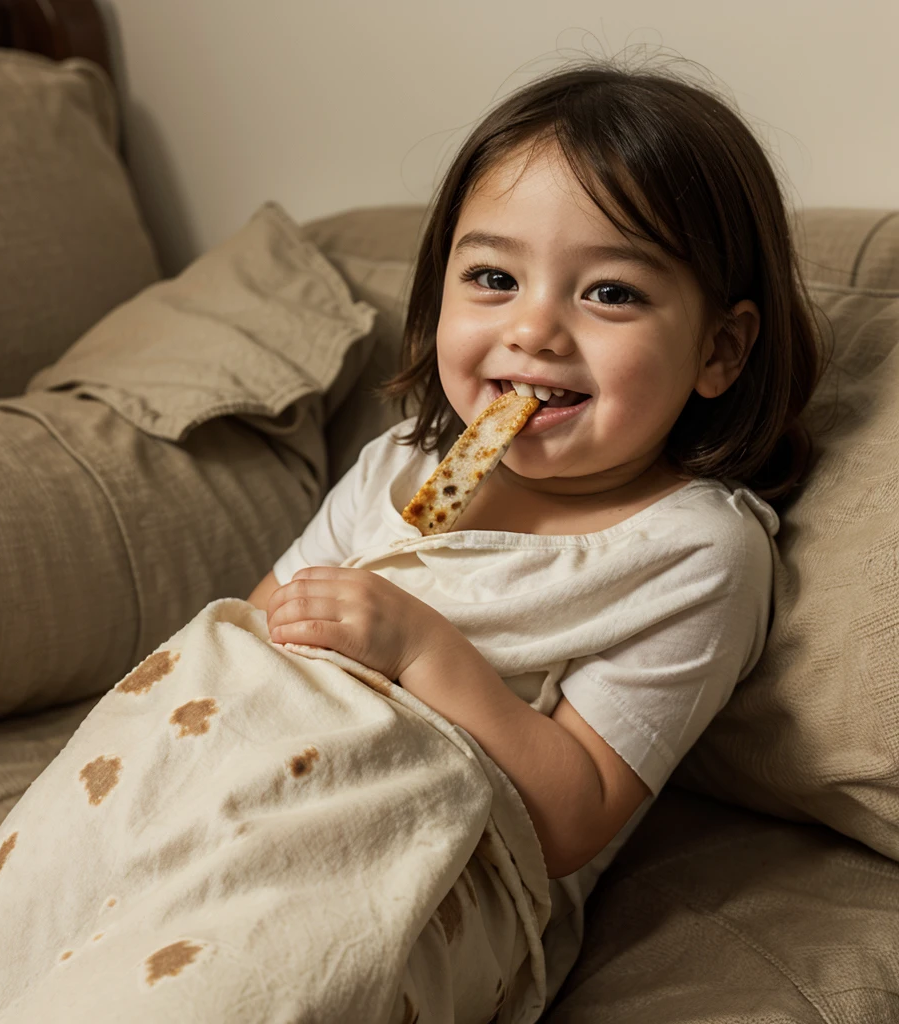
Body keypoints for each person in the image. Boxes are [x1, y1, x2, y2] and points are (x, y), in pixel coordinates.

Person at [246, 62, 824, 1013]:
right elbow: (262, 622)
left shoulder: (691, 554)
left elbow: (571, 817)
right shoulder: (409, 464)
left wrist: (422, 646)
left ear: (719, 350)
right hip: (273, 783)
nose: (535, 329)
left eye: (610, 294)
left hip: (441, 877)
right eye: (493, 278)